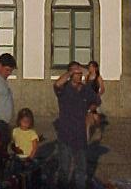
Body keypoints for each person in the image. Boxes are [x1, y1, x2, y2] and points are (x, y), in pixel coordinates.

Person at [54, 61, 100, 189]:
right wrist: (70, 72)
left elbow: (97, 100)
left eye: (80, 73)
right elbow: (57, 84)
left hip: (80, 134)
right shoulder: (64, 89)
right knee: (64, 168)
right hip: (65, 133)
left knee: (81, 168)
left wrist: (90, 110)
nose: (79, 75)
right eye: (76, 73)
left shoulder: (85, 89)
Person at [85, 60, 105, 141]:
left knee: (94, 115)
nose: (89, 68)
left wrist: (98, 96)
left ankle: (97, 129)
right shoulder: (87, 77)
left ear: (95, 68)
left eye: (91, 66)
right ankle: (87, 135)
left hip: (94, 99)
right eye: (89, 67)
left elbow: (102, 89)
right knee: (89, 115)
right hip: (88, 98)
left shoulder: (98, 77)